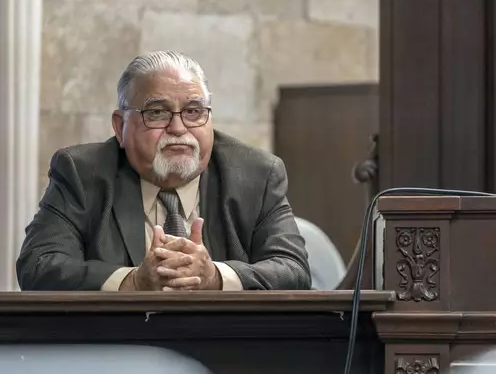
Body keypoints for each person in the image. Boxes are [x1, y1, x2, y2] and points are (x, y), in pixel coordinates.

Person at [16, 50, 311, 291]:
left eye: (193, 112)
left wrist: (215, 278)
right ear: (120, 127)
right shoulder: (82, 173)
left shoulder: (256, 174)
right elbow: (38, 266)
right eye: (157, 113)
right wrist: (133, 282)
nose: (179, 128)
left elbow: (293, 270)